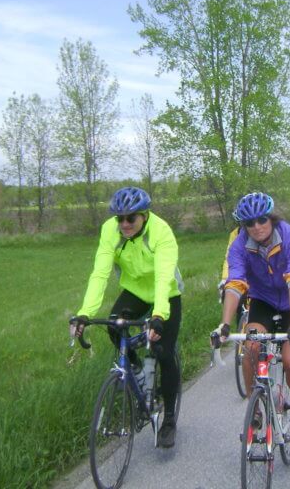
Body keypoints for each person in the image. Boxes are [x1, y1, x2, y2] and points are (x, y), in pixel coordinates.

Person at [71, 186, 184, 448]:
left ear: (144, 216)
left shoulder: (161, 231)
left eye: (130, 218)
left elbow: (164, 276)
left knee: (163, 351)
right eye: (119, 218)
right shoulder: (110, 230)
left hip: (165, 293)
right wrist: (85, 313)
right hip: (134, 291)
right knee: (114, 325)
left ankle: (168, 421)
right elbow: (99, 273)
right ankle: (135, 371)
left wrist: (158, 316)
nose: (124, 224)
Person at [211, 192, 290, 448]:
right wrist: (224, 324)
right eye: (250, 223)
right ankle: (255, 407)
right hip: (263, 301)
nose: (257, 227)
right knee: (251, 347)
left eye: (262, 220)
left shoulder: (289, 237)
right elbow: (235, 283)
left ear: (271, 218)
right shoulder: (240, 245)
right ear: (243, 226)